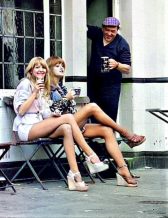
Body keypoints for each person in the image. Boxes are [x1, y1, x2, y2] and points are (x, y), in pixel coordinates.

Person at [12, 57, 109, 192]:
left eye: (43, 67)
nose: (41, 70)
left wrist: (54, 115)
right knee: (69, 117)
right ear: (31, 70)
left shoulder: (43, 86)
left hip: (40, 123)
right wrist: (34, 93)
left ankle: (75, 175)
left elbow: (45, 112)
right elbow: (21, 111)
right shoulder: (26, 84)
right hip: (26, 128)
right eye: (37, 67)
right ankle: (91, 156)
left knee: (66, 127)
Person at [46, 55, 143, 187]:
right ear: (49, 69)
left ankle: (122, 169)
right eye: (57, 65)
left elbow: (69, 110)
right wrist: (67, 99)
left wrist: (73, 106)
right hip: (57, 127)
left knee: (106, 130)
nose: (61, 67)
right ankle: (126, 134)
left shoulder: (61, 87)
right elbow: (51, 112)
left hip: (72, 124)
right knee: (92, 107)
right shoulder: (46, 88)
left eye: (62, 65)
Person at [87, 17, 131, 123]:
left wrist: (117, 65)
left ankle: (108, 136)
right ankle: (94, 137)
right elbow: (80, 27)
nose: (109, 33)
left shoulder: (122, 44)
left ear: (117, 30)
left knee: (109, 114)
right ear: (103, 28)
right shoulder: (97, 34)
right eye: (107, 30)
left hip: (111, 86)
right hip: (93, 82)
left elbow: (127, 68)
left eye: (113, 31)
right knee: (92, 110)